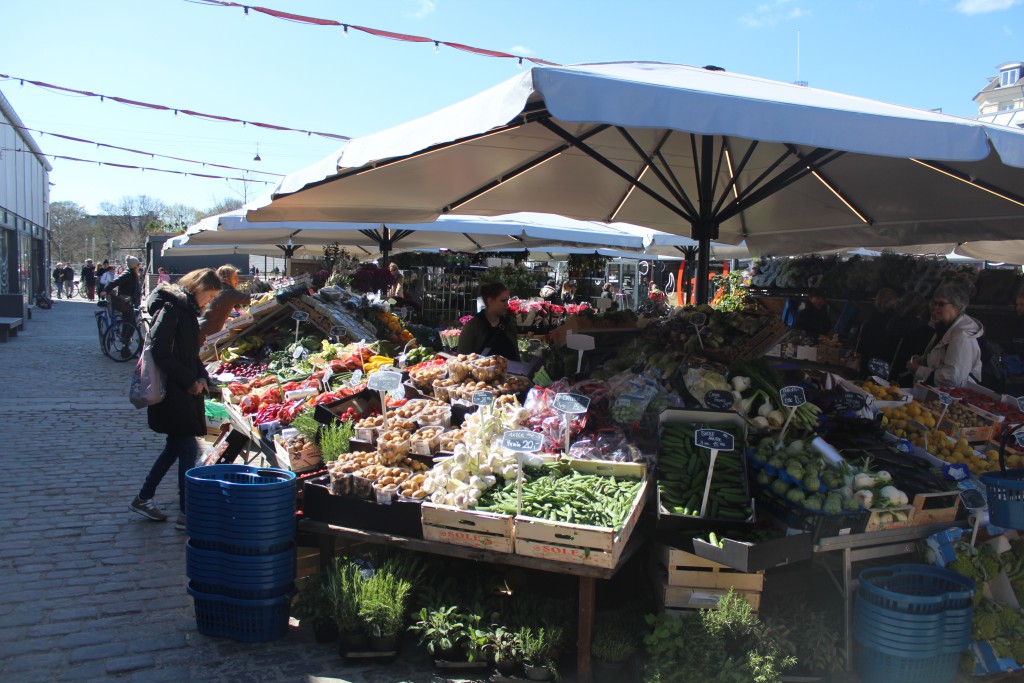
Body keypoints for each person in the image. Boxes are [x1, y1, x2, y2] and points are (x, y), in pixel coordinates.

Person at [129, 268, 222, 528]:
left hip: (183, 391)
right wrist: (189, 380)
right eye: (210, 294)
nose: (210, 300)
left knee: (176, 447)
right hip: (173, 392)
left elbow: (189, 354)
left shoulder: (186, 311)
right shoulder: (172, 310)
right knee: (188, 449)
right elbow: (160, 352)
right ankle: (186, 512)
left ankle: (144, 498)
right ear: (198, 287)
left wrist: (202, 375)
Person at [906, 283, 983, 388]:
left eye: (941, 304)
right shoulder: (943, 328)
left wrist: (918, 369)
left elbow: (953, 377)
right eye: (934, 303)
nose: (935, 308)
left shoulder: (962, 336)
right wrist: (924, 361)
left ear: (957, 308)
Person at [457, 282, 520, 361]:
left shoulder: (508, 324)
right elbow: (461, 360)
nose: (507, 305)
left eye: (507, 300)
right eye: (503, 301)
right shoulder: (473, 327)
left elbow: (516, 356)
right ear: (490, 301)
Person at [198, 264, 252, 343]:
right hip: (206, 331)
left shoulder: (220, 289)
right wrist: (271, 294)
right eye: (234, 277)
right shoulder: (227, 292)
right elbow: (250, 298)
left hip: (202, 328)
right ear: (227, 279)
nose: (237, 280)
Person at [857, 288, 899, 373]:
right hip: (884, 366)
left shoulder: (869, 320)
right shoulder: (896, 323)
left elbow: (861, 346)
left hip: (866, 363)